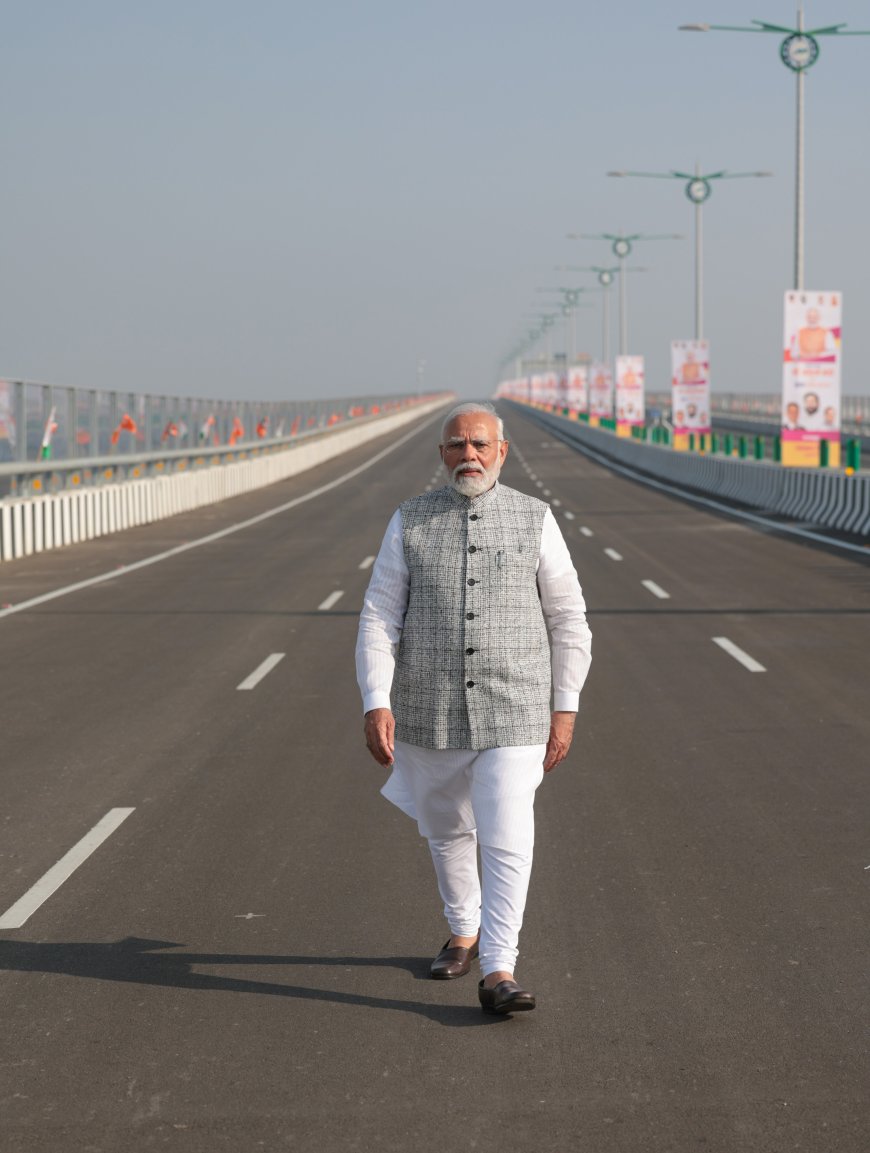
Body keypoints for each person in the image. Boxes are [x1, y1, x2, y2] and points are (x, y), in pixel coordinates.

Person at [356, 402, 592, 1015]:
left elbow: (568, 617)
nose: (470, 456)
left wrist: (563, 707)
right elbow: (380, 614)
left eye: (481, 445)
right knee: (447, 829)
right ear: (442, 454)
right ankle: (463, 928)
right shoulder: (410, 520)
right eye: (457, 446)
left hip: (516, 705)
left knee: (507, 831)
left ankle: (498, 969)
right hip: (427, 705)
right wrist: (375, 699)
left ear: (502, 451)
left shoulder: (535, 518)